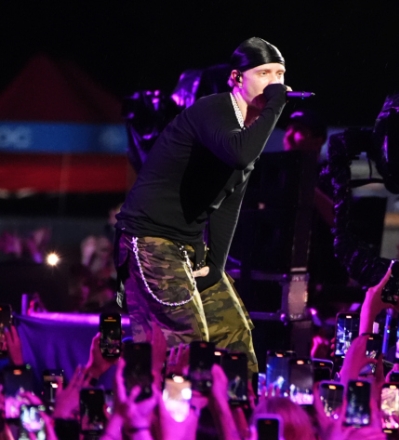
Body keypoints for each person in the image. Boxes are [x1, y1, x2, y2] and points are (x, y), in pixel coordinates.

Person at [114, 37, 290, 373]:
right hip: (150, 241)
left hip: (188, 245)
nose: (274, 83)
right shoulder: (215, 110)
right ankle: (165, 404)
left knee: (234, 332)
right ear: (236, 78)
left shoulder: (249, 130)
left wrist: (217, 263)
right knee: (188, 345)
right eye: (264, 73)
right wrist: (275, 107)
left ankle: (238, 403)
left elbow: (228, 201)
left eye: (280, 74)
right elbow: (239, 154)